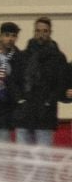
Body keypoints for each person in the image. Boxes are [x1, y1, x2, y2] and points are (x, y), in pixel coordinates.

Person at [18, 18, 69, 146]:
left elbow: (61, 84)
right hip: (23, 115)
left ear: (50, 32)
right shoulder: (23, 56)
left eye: (45, 31)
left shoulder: (58, 58)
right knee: (22, 156)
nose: (41, 34)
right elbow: (16, 81)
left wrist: (49, 101)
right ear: (34, 32)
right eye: (38, 31)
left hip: (45, 116)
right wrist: (20, 99)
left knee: (43, 156)